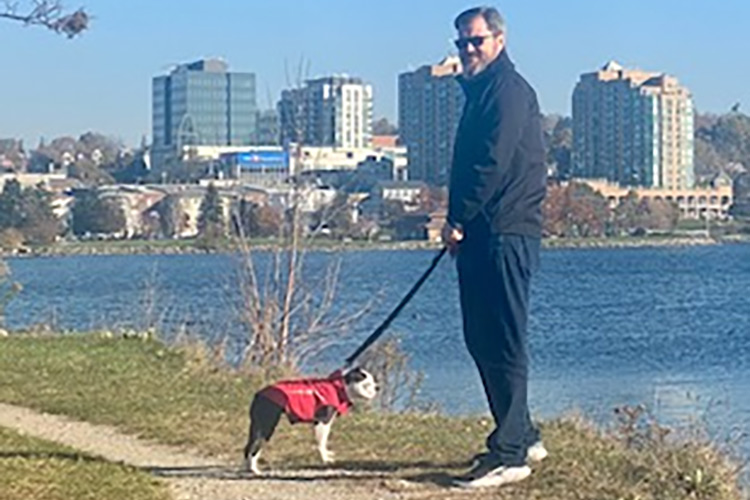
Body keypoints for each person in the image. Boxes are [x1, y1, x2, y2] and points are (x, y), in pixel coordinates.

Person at [441, 5, 548, 489]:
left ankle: (511, 455)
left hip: (504, 230)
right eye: (461, 41)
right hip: (485, 232)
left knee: (501, 339)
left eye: (476, 41)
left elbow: (492, 163)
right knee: (482, 337)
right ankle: (521, 434)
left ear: (499, 41)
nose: (467, 49)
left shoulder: (506, 91)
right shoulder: (483, 90)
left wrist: (458, 218)